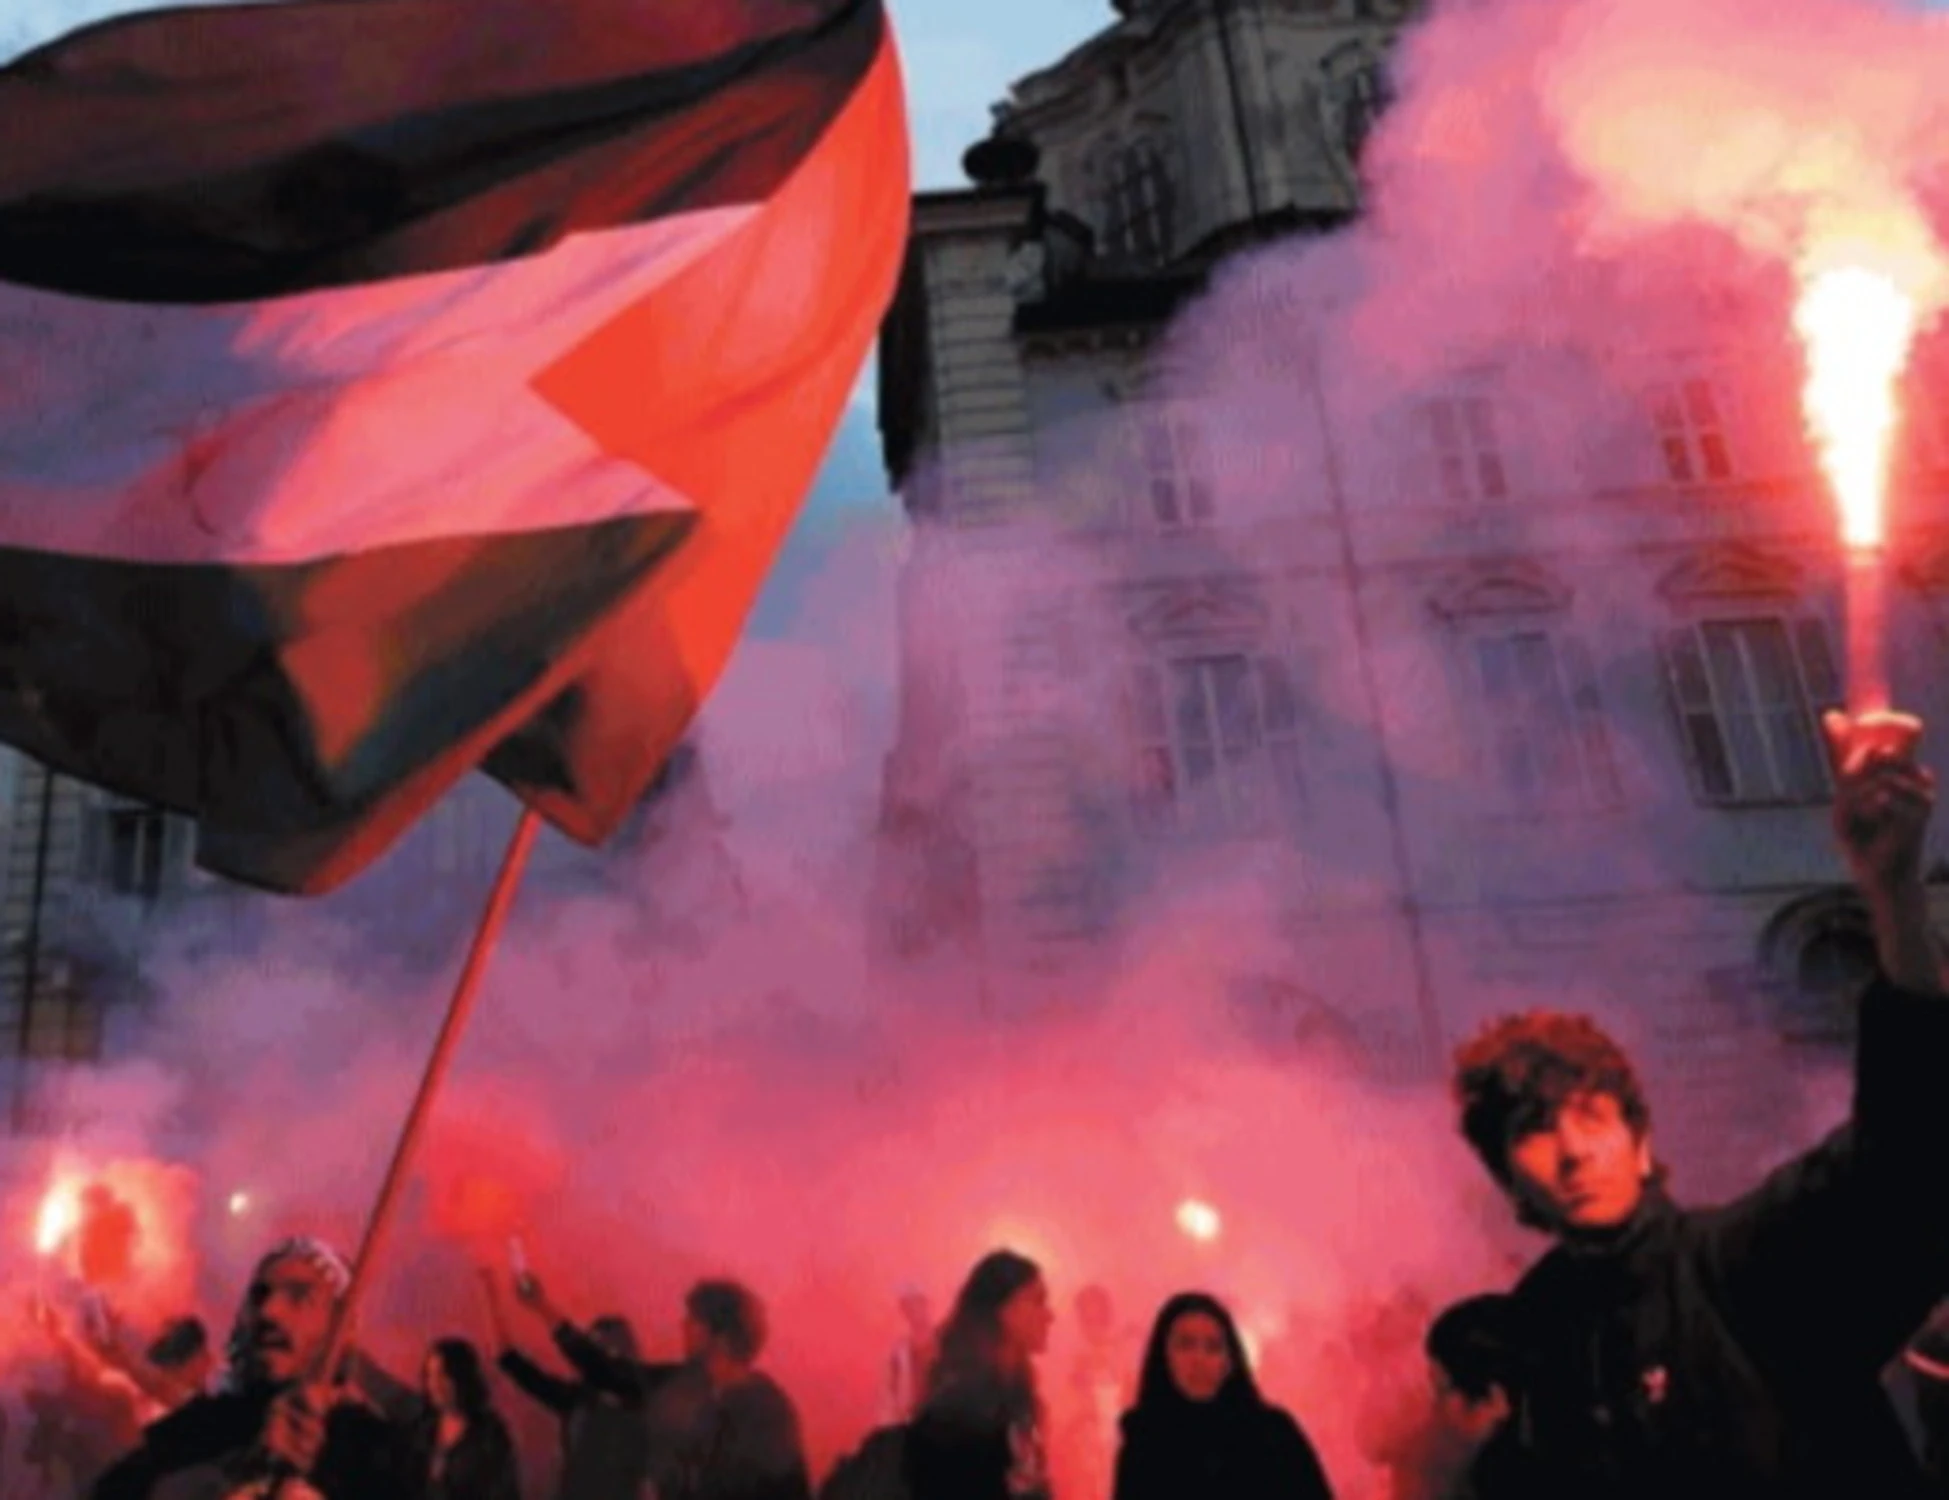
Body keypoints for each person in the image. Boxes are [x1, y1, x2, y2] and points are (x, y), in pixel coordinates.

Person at [1450, 708, 1949, 1498]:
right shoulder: (1534, 1363)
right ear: (1506, 1180)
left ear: (1640, 1139)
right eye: (1534, 1131)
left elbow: (1911, 1145)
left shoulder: (1752, 1263)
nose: (1573, 1150)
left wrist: (1892, 895)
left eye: (1590, 1116)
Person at [90, 1236, 417, 1500]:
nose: (269, 1311)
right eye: (260, 1296)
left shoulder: (380, 1450)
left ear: (342, 1326)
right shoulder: (210, 1424)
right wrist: (245, 1473)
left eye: (299, 1297)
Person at [512, 1269, 811, 1500]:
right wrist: (542, 1306)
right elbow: (607, 1372)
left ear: (718, 1334)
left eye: (693, 1320)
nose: (683, 1327)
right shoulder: (680, 1385)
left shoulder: (767, 1411)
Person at [1111, 1291, 1332, 1500]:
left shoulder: (1273, 1435)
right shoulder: (1144, 1443)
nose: (1199, 1359)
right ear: (1163, 1357)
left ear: (1229, 1362)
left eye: (1213, 1347)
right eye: (1185, 1345)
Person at [485, 1269, 650, 1500]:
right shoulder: (577, 1400)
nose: (593, 1362)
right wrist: (491, 1296)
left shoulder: (644, 1406)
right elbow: (513, 1363)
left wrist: (538, 1304)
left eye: (602, 1351)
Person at [905, 1249, 1054, 1500]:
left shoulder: (1020, 1400)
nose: (1050, 1315)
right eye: (1036, 1300)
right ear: (1003, 1311)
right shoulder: (957, 1408)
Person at [412, 1337, 522, 1500]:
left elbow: (504, 1492)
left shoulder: (489, 1434)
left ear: (460, 1377)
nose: (434, 1384)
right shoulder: (424, 1427)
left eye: (442, 1375)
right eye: (430, 1375)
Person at [879, 1287, 937, 1427]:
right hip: (912, 1421)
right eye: (909, 1307)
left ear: (925, 1306)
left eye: (917, 1305)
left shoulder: (946, 1342)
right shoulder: (899, 1353)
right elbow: (890, 1394)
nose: (914, 1311)